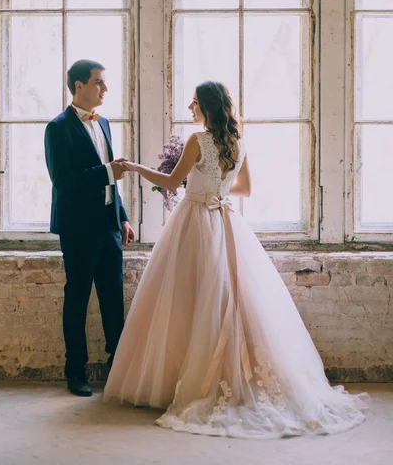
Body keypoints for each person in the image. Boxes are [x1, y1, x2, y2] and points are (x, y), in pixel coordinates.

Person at [104, 80, 367, 438]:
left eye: (194, 102)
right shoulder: (237, 143)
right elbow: (245, 189)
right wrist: (218, 190)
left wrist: (133, 167)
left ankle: (182, 381)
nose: (189, 108)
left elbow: (170, 183)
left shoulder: (198, 140)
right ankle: (231, 376)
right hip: (225, 219)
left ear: (207, 107)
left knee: (187, 300)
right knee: (227, 300)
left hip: (194, 221)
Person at [44, 59, 136, 397]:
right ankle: (75, 371)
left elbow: (112, 181)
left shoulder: (106, 123)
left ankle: (118, 368)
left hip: (109, 226)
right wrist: (108, 172)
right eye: (99, 82)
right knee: (78, 299)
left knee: (113, 299)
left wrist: (123, 217)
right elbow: (63, 181)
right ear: (79, 86)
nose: (105, 89)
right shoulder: (57, 128)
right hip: (78, 229)